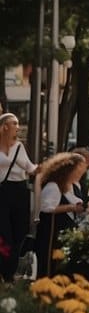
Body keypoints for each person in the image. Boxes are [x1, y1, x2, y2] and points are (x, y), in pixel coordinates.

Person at [34, 152, 88, 277]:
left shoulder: (70, 186)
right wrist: (71, 207)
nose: (81, 173)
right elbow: (47, 208)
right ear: (69, 170)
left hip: (61, 236)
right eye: (78, 170)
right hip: (51, 237)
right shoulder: (53, 186)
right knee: (50, 268)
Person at [0, 113, 38, 281]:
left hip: (20, 191)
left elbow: (31, 168)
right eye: (14, 123)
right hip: (2, 191)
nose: (18, 126)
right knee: (4, 233)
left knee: (20, 232)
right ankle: (6, 273)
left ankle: (10, 268)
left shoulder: (19, 147)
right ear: (4, 126)